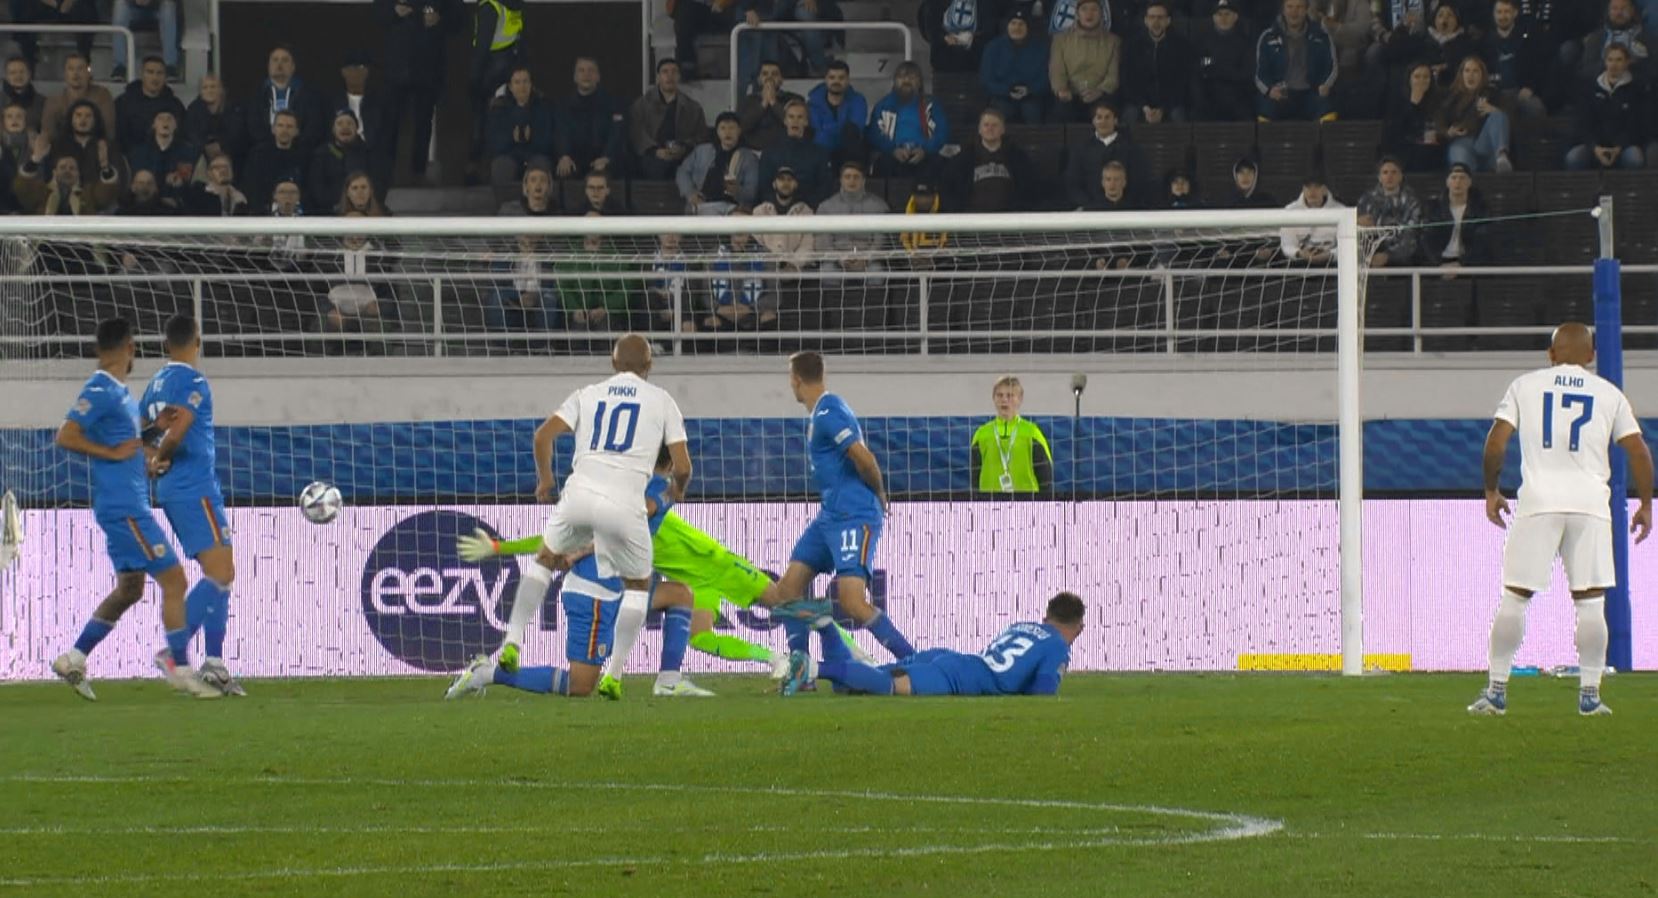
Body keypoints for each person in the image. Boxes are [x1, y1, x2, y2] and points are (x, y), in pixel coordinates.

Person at [455, 448, 844, 691]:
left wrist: (503, 547)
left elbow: (563, 534)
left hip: (712, 567)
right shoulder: (643, 499)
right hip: (640, 582)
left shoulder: (647, 496)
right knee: (719, 627)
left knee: (760, 606)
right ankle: (791, 659)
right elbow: (562, 535)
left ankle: (672, 681)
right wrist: (502, 547)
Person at [1471, 322, 1654, 718]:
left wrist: (1491, 490)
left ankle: (1496, 691)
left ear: (1551, 354)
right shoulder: (1609, 394)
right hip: (1590, 506)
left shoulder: (1525, 386)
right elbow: (1638, 451)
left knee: (1515, 598)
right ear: (1591, 357)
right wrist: (1645, 504)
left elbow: (1496, 442)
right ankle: (1590, 696)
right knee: (1591, 603)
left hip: (1539, 502)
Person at [49, 318, 219, 700]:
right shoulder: (101, 389)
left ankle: (73, 657)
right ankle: (181, 668)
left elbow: (129, 446)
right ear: (130, 349)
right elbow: (66, 435)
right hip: (125, 508)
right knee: (175, 580)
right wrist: (109, 452)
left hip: (126, 502)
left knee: (130, 589)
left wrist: (153, 433)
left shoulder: (122, 394)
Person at [529, 335, 692, 699]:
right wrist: (577, 553)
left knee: (680, 594)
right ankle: (490, 672)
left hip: (620, 588)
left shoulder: (638, 481)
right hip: (597, 590)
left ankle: (668, 680)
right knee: (580, 688)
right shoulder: (648, 492)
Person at [764, 352, 914, 665]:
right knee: (786, 591)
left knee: (852, 602)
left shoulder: (828, 412)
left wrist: (880, 493)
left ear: (796, 379)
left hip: (853, 514)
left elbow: (864, 458)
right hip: (830, 515)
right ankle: (800, 667)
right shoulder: (824, 409)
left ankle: (914, 662)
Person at [138, 315, 243, 696]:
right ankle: (175, 653)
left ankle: (214, 663)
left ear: (167, 345)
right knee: (221, 572)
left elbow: (141, 435)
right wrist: (164, 452)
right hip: (195, 488)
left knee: (221, 573)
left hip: (172, 490)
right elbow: (178, 428)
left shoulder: (154, 385)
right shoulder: (194, 381)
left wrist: (153, 460)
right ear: (197, 341)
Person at [783, 591, 1085, 697]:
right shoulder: (1059, 646)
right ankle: (812, 668)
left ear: (1045, 616)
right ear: (1079, 629)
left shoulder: (1022, 625)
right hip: (961, 676)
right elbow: (1043, 691)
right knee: (892, 687)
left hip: (953, 659)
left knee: (848, 687)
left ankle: (824, 626)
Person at [377, 0, 458, 183]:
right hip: (397, 66)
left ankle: (418, 173)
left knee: (423, 123)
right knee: (390, 123)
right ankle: (385, 174)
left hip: (429, 66)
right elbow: (377, 13)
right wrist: (394, 11)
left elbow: (459, 19)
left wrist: (439, 19)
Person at [1565, 43, 1648, 170]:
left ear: (1627, 62)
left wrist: (1618, 148)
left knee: (1635, 158)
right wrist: (1595, 147)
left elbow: (1636, 125)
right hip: (1594, 147)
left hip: (1623, 147)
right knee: (1574, 158)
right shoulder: (1590, 88)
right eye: (1610, 60)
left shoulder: (1636, 90)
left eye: (1619, 60)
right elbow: (1583, 123)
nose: (1614, 65)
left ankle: (1631, 190)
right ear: (1605, 62)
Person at [969, 375, 1054, 495]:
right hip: (989, 504)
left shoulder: (1032, 433)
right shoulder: (981, 434)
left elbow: (1045, 477)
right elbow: (975, 477)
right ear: (993, 398)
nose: (1004, 400)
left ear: (1019, 399)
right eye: (1000, 395)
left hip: (1027, 505)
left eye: (1010, 395)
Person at [941, 107, 1037, 212]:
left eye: (995, 125)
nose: (990, 129)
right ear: (979, 129)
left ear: (1003, 130)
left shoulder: (1018, 157)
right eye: (986, 125)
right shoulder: (964, 158)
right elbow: (950, 188)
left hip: (1009, 218)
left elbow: (1028, 189)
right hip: (972, 219)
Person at [1255, 0, 1339, 121]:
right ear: (1283, 10)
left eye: (1299, 7)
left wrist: (1325, 85)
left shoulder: (1321, 35)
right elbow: (1260, 73)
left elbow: (1332, 66)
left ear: (1306, 10)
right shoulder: (1267, 36)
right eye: (1290, 7)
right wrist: (1269, 90)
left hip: (1312, 93)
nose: (1294, 12)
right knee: (1265, 112)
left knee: (1328, 112)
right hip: (1281, 94)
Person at [630, 59, 709, 180]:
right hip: (652, 156)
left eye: (674, 72)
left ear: (679, 77)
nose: (669, 76)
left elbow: (701, 136)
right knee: (656, 167)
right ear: (658, 77)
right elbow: (637, 133)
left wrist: (684, 148)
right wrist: (655, 151)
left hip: (683, 155)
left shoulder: (693, 107)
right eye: (665, 72)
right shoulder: (642, 104)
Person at [468, 0, 525, 168]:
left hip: (490, 67)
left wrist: (474, 76)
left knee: (481, 119)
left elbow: (483, 44)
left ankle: (475, 166)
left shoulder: (490, 6)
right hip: (511, 64)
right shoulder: (514, 5)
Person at [867, 62, 949, 177]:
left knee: (939, 165)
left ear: (920, 82)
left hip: (925, 154)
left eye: (911, 77)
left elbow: (943, 132)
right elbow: (874, 134)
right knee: (883, 164)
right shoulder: (883, 106)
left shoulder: (931, 104)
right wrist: (893, 150)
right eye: (901, 77)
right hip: (892, 155)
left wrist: (925, 150)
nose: (906, 81)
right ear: (894, 82)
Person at [243, 45, 327, 157]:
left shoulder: (309, 96)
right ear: (268, 66)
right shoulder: (257, 95)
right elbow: (253, 126)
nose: (279, 64)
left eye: (285, 60)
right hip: (264, 154)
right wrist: (273, 146)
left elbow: (313, 127)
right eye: (275, 60)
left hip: (300, 154)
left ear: (293, 67)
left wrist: (292, 145)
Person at [1435, 55, 1514, 172]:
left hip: (1485, 143)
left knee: (1499, 115)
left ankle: (1501, 156)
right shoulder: (1450, 96)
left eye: (1475, 71)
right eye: (1467, 71)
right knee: (1461, 160)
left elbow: (1509, 117)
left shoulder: (1494, 93)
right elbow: (1439, 123)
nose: (1470, 75)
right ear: (1461, 74)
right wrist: (1448, 132)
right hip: (1461, 141)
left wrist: (1493, 110)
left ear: (1482, 75)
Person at [1048, 0, 1122, 122]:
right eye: (1084, 9)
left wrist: (1100, 91)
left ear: (1101, 14)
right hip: (1070, 94)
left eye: (1094, 9)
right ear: (1077, 14)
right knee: (1061, 112)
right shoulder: (1060, 40)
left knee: (1104, 111)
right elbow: (1056, 70)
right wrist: (1061, 89)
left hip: (1100, 94)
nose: (1089, 14)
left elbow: (1113, 75)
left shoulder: (1113, 42)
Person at [1121, 1, 1195, 123]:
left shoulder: (1181, 46)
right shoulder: (1132, 46)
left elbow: (1182, 83)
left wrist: (1163, 109)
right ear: (1145, 20)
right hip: (1140, 103)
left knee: (1179, 116)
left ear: (1168, 21)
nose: (1156, 22)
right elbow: (1128, 81)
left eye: (1160, 17)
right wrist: (1144, 107)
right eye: (1152, 17)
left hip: (1171, 103)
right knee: (1129, 116)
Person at [1063, 100, 1146, 209]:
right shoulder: (1081, 149)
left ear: (1115, 120)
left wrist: (1122, 205)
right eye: (1099, 117)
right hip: (1091, 210)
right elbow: (1073, 183)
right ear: (1093, 121)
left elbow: (1138, 181)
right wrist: (1090, 206)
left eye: (1107, 117)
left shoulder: (1131, 148)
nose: (1103, 121)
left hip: (1124, 210)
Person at [485, 65, 556, 192]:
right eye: (517, 82)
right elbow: (493, 143)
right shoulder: (499, 109)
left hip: (535, 154)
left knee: (541, 166)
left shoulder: (543, 107)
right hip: (509, 155)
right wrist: (512, 139)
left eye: (525, 82)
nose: (522, 86)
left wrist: (532, 138)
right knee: (501, 166)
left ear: (531, 85)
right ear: (511, 87)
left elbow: (548, 141)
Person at [676, 112, 760, 214]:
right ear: (717, 132)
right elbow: (682, 171)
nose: (727, 132)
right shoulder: (702, 151)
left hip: (733, 208)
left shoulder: (749, 158)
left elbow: (752, 192)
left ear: (739, 131)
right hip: (704, 205)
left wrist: (737, 191)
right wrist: (690, 193)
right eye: (723, 128)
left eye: (732, 128)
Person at [555, 57, 625, 179]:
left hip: (605, 159)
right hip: (575, 160)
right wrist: (564, 155)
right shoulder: (564, 105)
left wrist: (606, 158)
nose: (586, 74)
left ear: (598, 77)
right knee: (564, 170)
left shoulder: (613, 103)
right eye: (581, 70)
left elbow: (616, 134)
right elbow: (561, 133)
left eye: (591, 70)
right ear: (575, 77)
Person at [817, 161, 890, 278]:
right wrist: (840, 259)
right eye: (847, 177)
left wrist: (865, 259)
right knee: (827, 272)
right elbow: (823, 242)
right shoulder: (826, 207)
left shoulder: (879, 206)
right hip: (836, 260)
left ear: (864, 181)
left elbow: (880, 240)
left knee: (876, 274)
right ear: (841, 180)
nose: (852, 181)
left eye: (856, 177)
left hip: (868, 260)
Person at [981, 10, 1051, 124]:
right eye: (1013, 23)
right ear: (1007, 26)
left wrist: (1030, 90)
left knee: (1032, 112)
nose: (1017, 28)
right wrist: (1006, 91)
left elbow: (1046, 78)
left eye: (1021, 24)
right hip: (1001, 97)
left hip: (1031, 97)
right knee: (1001, 113)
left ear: (1028, 27)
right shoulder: (993, 47)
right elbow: (986, 80)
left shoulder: (1041, 49)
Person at [1481, 0, 1550, 118]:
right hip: (1494, 93)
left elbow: (1539, 67)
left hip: (1519, 92)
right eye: (1499, 12)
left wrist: (1530, 87)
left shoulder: (1527, 39)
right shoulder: (1484, 42)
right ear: (1493, 14)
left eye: (1507, 12)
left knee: (1535, 108)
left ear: (1515, 13)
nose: (1503, 16)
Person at [759, 99, 832, 205]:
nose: (795, 121)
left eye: (800, 117)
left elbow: (824, 188)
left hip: (808, 212)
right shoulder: (770, 152)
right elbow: (764, 187)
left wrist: (805, 206)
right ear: (785, 121)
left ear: (806, 122)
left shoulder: (819, 153)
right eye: (791, 117)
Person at [1195, 0, 1258, 121]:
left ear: (1235, 17)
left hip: (1237, 96)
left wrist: (1215, 65)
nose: (1223, 18)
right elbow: (1202, 65)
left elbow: (1245, 73)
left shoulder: (1245, 43)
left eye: (1227, 14)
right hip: (1210, 94)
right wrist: (1226, 66)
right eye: (1219, 14)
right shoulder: (1204, 42)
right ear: (1213, 18)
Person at [1418, 162, 1490, 267]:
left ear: (1469, 182)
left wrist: (1462, 263)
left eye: (1462, 178)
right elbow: (1426, 239)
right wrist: (1439, 264)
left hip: (1469, 264)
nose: (1458, 182)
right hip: (1439, 262)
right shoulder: (1433, 208)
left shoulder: (1480, 208)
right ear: (1447, 182)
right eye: (1454, 177)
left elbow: (1482, 240)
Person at [1355, 156, 1420, 268]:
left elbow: (1412, 232)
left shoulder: (1411, 201)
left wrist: (1389, 256)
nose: (1389, 176)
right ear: (1379, 177)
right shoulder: (1366, 200)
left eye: (1394, 172)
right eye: (1385, 173)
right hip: (1370, 253)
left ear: (1400, 176)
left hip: (1401, 255)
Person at [114, 56, 186, 153]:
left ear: (165, 76)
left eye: (159, 73)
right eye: (150, 72)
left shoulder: (175, 105)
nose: (155, 77)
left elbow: (182, 135)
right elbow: (119, 136)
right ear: (142, 75)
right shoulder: (123, 102)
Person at [1382, 62, 1444, 173]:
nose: (1421, 81)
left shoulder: (1438, 100)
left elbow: (1440, 126)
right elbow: (1393, 131)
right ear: (1409, 79)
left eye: (1426, 77)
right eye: (1417, 77)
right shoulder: (1397, 100)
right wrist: (1413, 104)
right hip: (1404, 147)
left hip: (1431, 147)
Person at [125, 109, 195, 208]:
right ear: (153, 125)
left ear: (176, 125)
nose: (165, 122)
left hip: (175, 206)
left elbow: (186, 182)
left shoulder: (187, 151)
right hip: (146, 204)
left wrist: (179, 183)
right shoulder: (138, 152)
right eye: (160, 118)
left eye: (169, 118)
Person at [308, 109, 373, 214]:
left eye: (349, 123)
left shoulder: (368, 153)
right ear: (333, 129)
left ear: (357, 128)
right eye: (340, 123)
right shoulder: (321, 154)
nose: (345, 127)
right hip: (329, 213)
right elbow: (317, 189)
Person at [752, 166, 815, 271]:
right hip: (766, 270)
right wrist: (774, 264)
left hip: (796, 270)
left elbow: (807, 246)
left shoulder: (806, 212)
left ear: (795, 185)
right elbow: (757, 244)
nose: (785, 183)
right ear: (774, 184)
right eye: (781, 179)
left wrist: (793, 264)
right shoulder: (760, 212)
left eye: (789, 180)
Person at [807, 60, 869, 167]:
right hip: (822, 150)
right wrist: (837, 130)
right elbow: (816, 133)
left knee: (851, 133)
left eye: (841, 78)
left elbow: (856, 129)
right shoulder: (813, 103)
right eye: (832, 78)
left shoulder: (858, 101)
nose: (836, 82)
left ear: (848, 80)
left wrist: (828, 129)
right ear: (825, 80)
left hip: (848, 151)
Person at [242, 110, 307, 211]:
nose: (284, 130)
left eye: (289, 126)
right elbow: (250, 187)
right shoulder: (258, 155)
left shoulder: (304, 157)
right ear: (273, 129)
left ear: (296, 131)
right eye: (280, 125)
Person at [40, 53, 115, 140]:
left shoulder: (102, 95)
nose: (75, 73)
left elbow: (109, 131)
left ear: (89, 72)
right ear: (65, 73)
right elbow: (47, 135)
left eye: (80, 69)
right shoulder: (53, 101)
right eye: (71, 69)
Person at [918, 0, 1004, 73]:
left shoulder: (989, 3)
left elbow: (994, 28)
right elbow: (928, 25)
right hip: (943, 66)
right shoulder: (935, 3)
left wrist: (974, 40)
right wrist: (943, 38)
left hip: (978, 67)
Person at [1279, 172, 1346, 263]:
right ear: (1303, 189)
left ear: (1325, 189)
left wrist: (1329, 255)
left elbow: (1345, 246)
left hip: (1330, 264)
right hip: (1298, 263)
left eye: (1317, 187)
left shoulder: (1341, 211)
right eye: (1308, 187)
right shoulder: (1290, 210)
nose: (1312, 191)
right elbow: (1287, 245)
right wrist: (1299, 253)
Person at [1578, 0, 1651, 83]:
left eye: (1624, 9)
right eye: (1614, 8)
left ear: (1632, 11)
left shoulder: (1647, 39)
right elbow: (1586, 70)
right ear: (1608, 12)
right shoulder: (1596, 38)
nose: (1619, 13)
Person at [737, 60, 802, 152]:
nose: (769, 77)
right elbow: (741, 127)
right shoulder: (747, 101)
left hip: (785, 151)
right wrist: (763, 104)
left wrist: (773, 103)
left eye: (774, 74)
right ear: (759, 80)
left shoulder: (794, 99)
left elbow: (795, 124)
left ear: (781, 80)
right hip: (752, 151)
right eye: (765, 74)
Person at [111, 0, 180, 81]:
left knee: (168, 7)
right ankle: (119, 66)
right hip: (132, 9)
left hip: (158, 9)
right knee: (120, 4)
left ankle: (170, 66)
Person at [185, 73, 240, 169]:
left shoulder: (233, 108)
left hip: (230, 156)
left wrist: (221, 146)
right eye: (205, 87)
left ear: (221, 89)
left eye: (213, 86)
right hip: (201, 158)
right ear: (200, 92)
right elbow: (191, 134)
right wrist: (206, 146)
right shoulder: (193, 109)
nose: (209, 90)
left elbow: (236, 133)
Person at [183, 153, 249, 216]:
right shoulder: (198, 194)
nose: (223, 170)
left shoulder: (241, 199)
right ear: (209, 173)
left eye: (226, 166)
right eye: (217, 167)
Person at [4, 56, 45, 133]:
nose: (18, 76)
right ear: (7, 77)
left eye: (22, 72)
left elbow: (46, 130)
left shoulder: (42, 102)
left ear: (29, 74)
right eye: (13, 73)